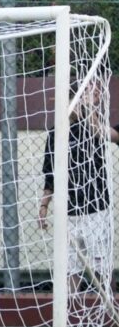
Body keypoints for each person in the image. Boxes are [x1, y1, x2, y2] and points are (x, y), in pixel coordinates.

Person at [38, 81, 117, 293]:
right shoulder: (56, 133)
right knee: (69, 266)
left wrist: (89, 107)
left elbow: (103, 133)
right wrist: (44, 206)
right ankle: (68, 312)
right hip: (69, 210)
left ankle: (108, 306)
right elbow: (50, 173)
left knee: (101, 265)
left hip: (95, 209)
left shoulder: (93, 126)